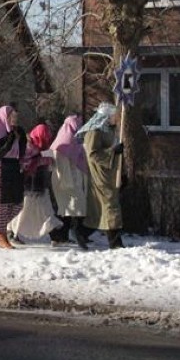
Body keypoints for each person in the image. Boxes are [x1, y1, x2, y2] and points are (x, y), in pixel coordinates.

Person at [77, 102, 125, 250]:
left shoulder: (109, 130)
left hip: (110, 172)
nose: (117, 119)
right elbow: (92, 153)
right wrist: (113, 151)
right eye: (114, 116)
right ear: (106, 116)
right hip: (100, 174)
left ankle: (83, 232)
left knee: (100, 209)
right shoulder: (94, 131)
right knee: (111, 205)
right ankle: (115, 242)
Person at [7, 120, 62, 242]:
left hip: (40, 184)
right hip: (28, 186)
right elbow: (23, 162)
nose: (45, 140)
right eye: (44, 137)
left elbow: (48, 162)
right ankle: (12, 232)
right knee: (24, 211)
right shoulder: (27, 146)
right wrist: (39, 157)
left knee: (46, 210)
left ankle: (56, 236)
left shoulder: (43, 148)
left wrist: (47, 157)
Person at [0, 105, 27, 249]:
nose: (14, 119)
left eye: (16, 116)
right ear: (4, 118)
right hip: (0, 169)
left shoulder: (17, 132)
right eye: (11, 117)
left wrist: (21, 138)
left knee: (17, 203)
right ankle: (0, 234)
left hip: (14, 168)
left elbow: (21, 152)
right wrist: (10, 139)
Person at [50, 114, 90, 249]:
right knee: (76, 207)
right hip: (67, 180)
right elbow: (64, 163)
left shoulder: (67, 139)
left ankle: (60, 236)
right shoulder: (66, 142)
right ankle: (78, 234)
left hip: (67, 180)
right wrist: (69, 183)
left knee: (66, 210)